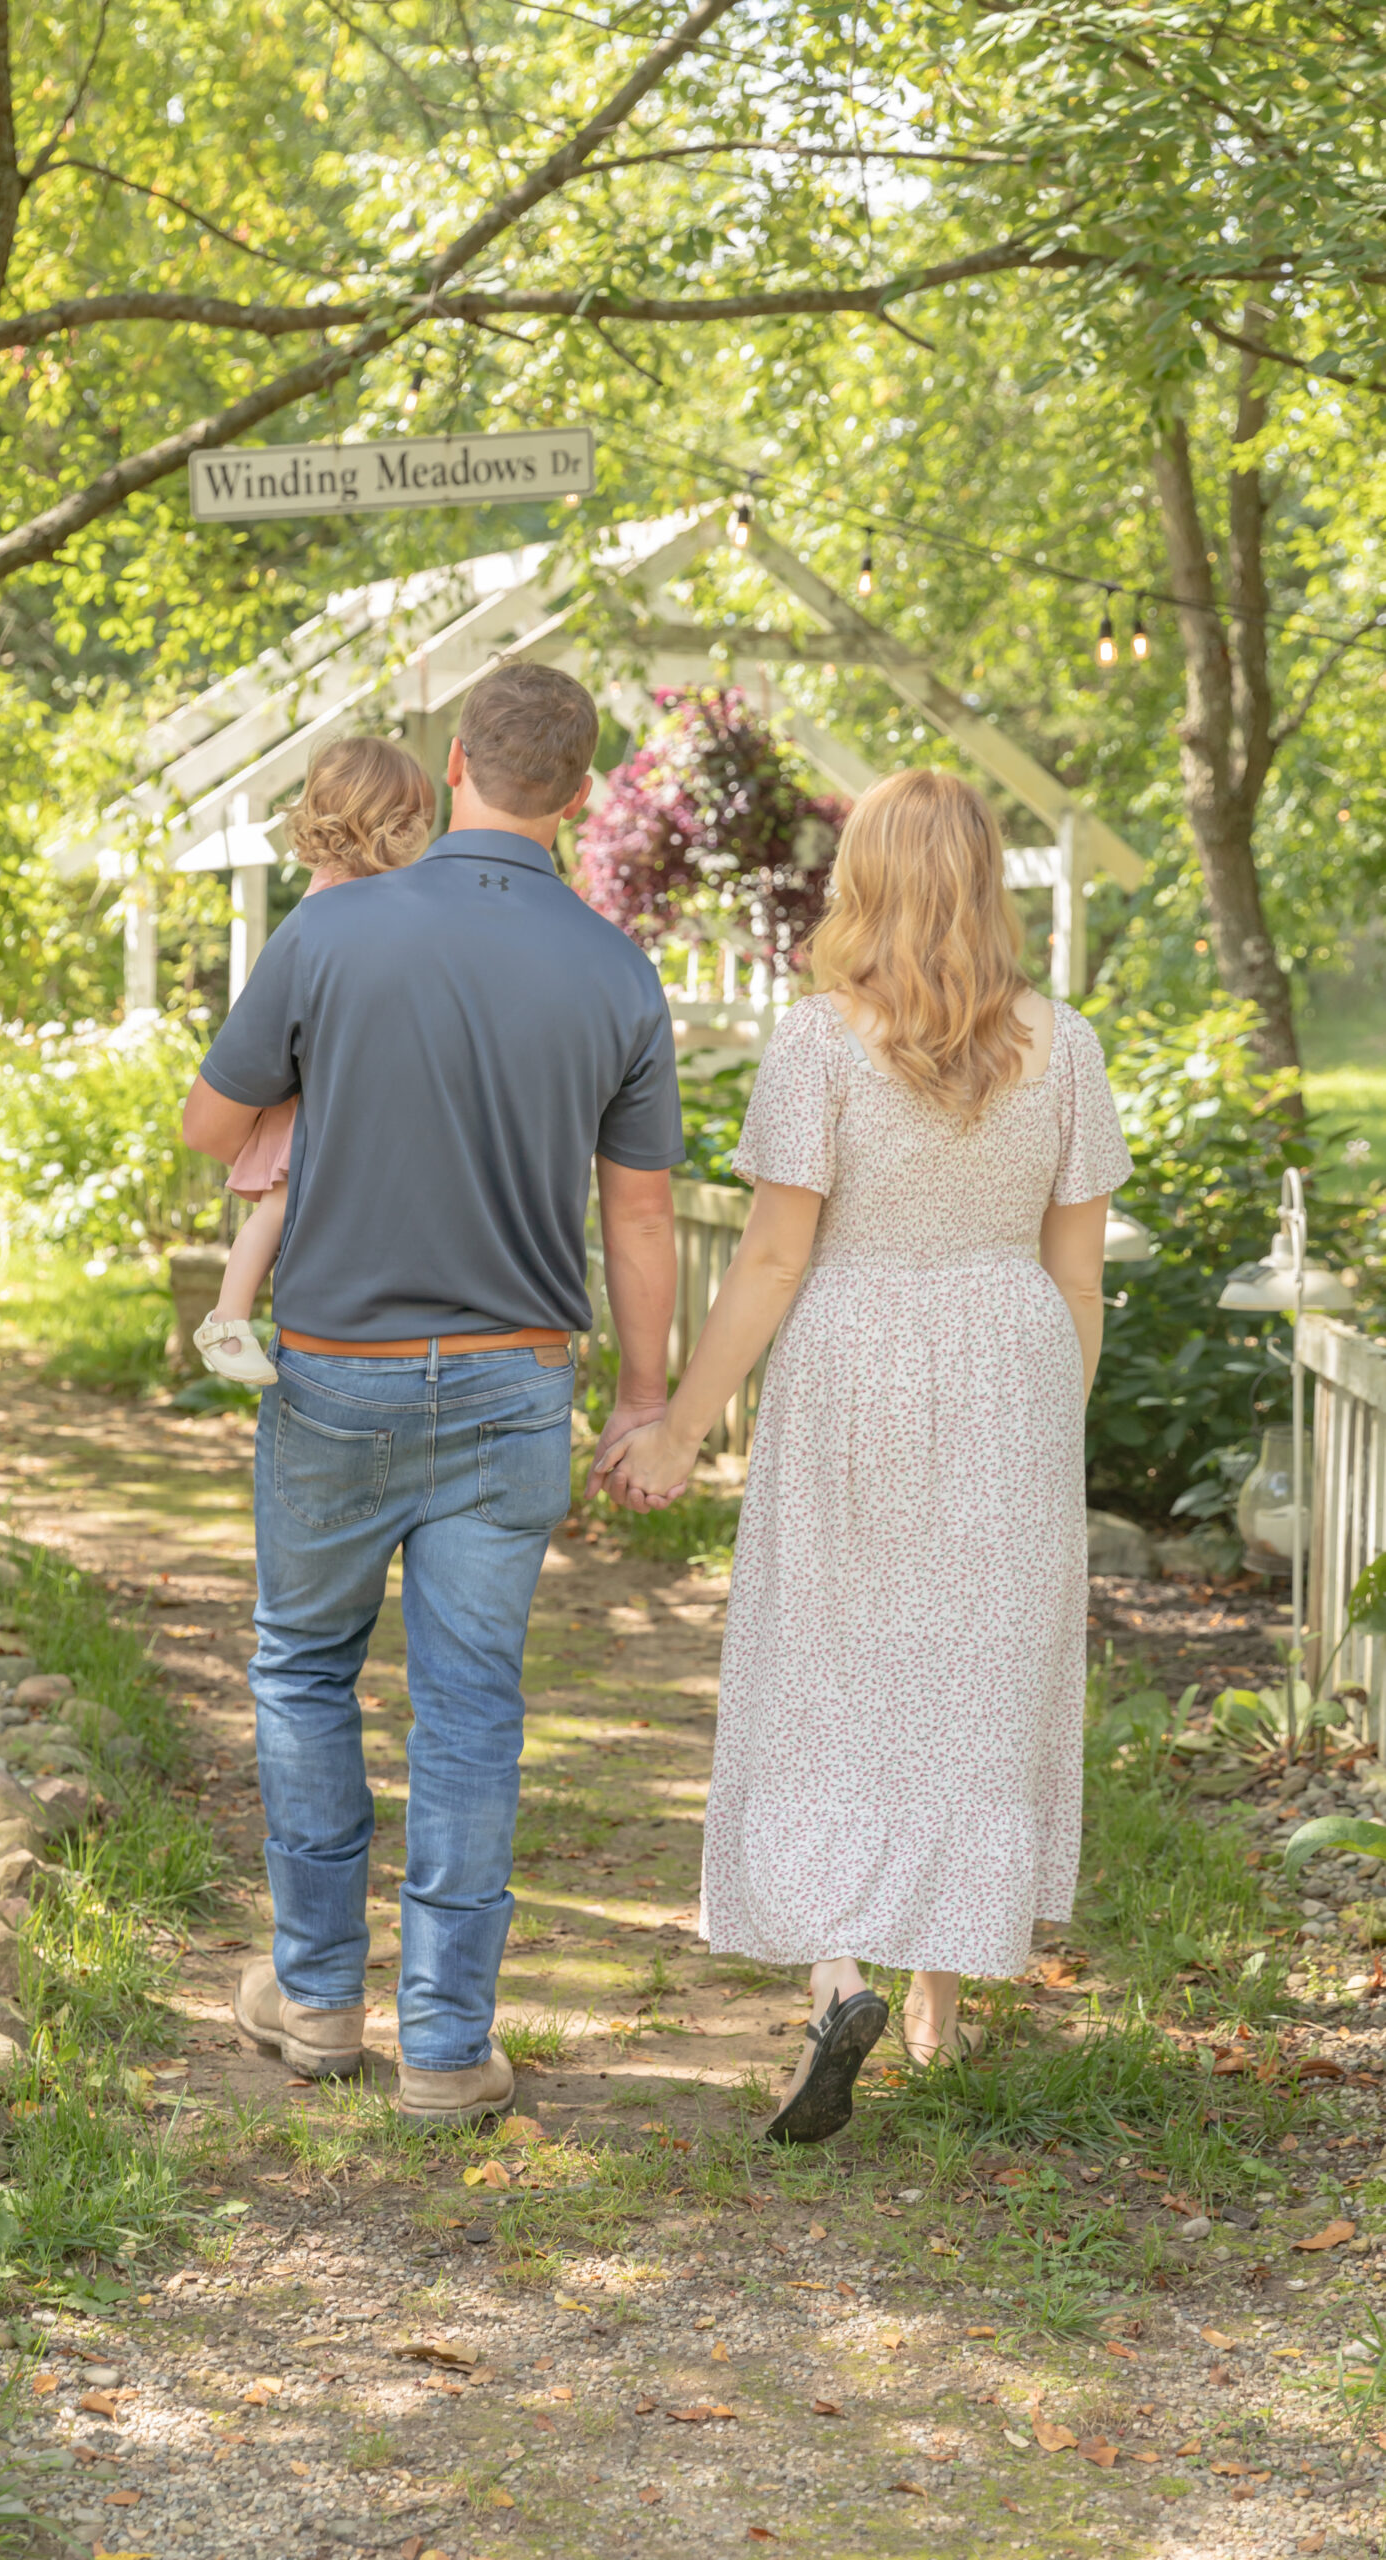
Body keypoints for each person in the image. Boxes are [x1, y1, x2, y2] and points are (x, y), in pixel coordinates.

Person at [596, 769, 1130, 2145]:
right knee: (969, 1666)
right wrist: (1043, 1421)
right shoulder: (1059, 1046)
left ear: (865, 882)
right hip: (1006, 1357)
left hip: (852, 1360)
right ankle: (935, 1998)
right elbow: (1076, 1278)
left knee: (831, 1659)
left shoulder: (817, 1044)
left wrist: (677, 1423)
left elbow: (774, 1258)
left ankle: (835, 1968)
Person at [182, 661, 683, 2126]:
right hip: (517, 1386)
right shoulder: (613, 971)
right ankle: (449, 2048)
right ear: (580, 796)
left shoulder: (329, 929)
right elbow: (640, 1221)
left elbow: (212, 1126)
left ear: (452, 762)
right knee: (470, 1708)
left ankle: (320, 1997)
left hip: (334, 1373)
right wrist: (643, 1396)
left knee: (301, 1671)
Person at [194, 738, 436, 1390]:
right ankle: (226, 1318)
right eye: (411, 820)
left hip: (327, 1084)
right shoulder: (340, 904)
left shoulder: (353, 894)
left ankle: (236, 1315)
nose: (421, 837)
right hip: (312, 1094)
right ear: (378, 822)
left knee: (286, 1207)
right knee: (276, 1204)